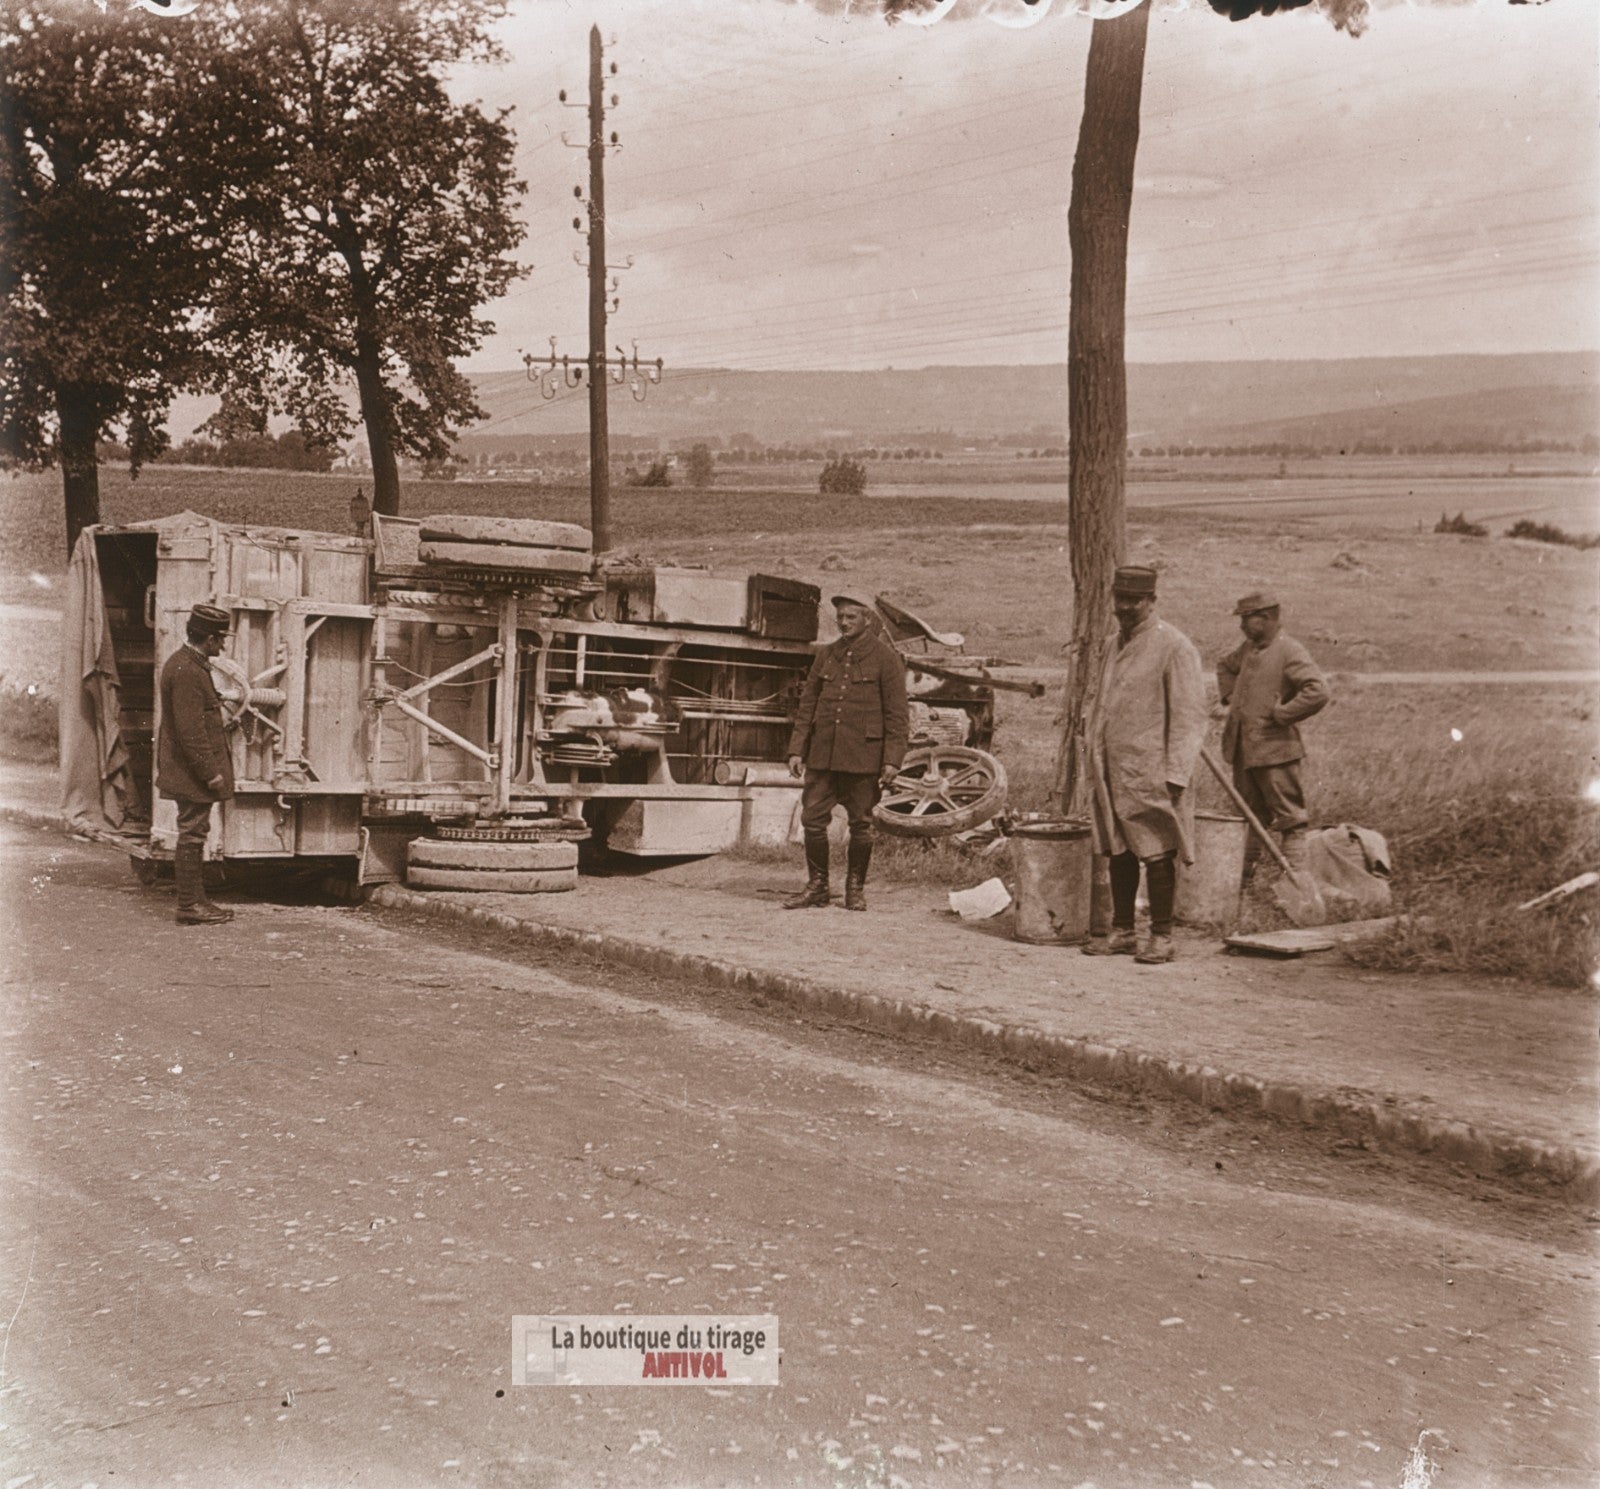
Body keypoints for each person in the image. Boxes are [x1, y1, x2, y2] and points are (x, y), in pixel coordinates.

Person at [1084, 566, 1207, 964]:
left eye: (1133, 600)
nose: (1123, 607)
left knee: (1156, 850)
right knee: (1118, 848)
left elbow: (1190, 716)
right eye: (1119, 599)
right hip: (1112, 769)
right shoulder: (1111, 644)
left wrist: (1176, 772)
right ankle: (1122, 931)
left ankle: (1162, 935)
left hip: (1151, 770)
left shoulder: (1174, 646)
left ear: (1152, 600)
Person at [784, 594, 909, 912]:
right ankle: (818, 887)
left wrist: (893, 759)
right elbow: (807, 705)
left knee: (861, 825)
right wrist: (797, 749)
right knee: (812, 821)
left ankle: (855, 889)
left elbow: (897, 714)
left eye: (851, 617)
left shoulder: (885, 658)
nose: (843, 622)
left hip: (863, 757)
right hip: (824, 755)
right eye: (840, 616)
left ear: (867, 619)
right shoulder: (826, 654)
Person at [1215, 589, 1330, 873]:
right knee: (1249, 818)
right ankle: (1243, 887)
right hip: (1245, 751)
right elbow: (1224, 667)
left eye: (1246, 619)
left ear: (1265, 618)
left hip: (1276, 752)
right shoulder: (1248, 649)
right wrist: (1232, 699)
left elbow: (1318, 691)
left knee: (1291, 821)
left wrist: (1283, 714)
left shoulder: (1290, 649)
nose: (1241, 626)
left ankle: (1300, 888)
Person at [156, 603, 236, 925]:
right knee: (192, 833)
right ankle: (189, 906)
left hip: (187, 770)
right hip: (191, 772)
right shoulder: (188, 670)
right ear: (210, 638)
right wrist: (211, 773)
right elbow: (191, 732)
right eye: (221, 639)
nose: (224, 646)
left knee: (196, 831)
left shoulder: (187, 663)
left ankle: (197, 900)